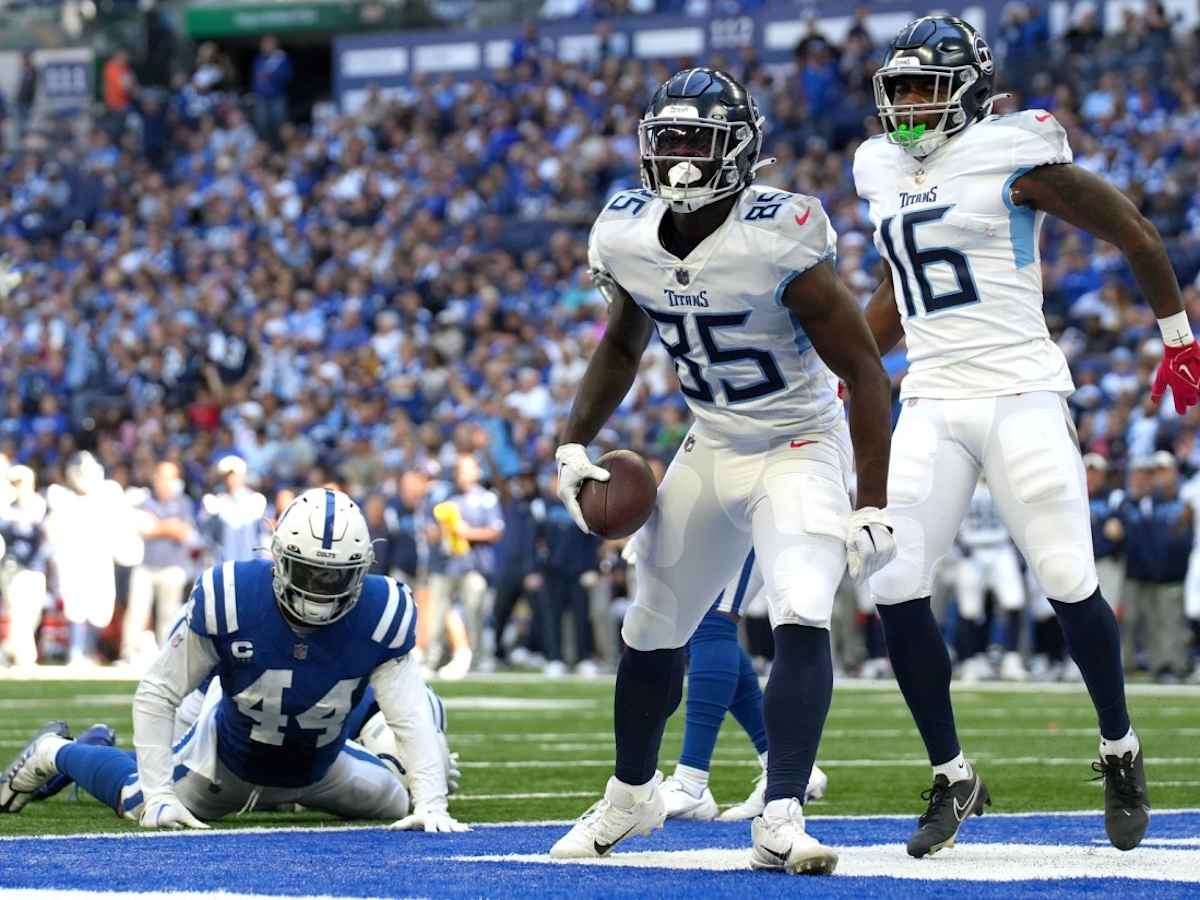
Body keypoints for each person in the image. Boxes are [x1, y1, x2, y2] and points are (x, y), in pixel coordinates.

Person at [855, 15, 1193, 855]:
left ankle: (1120, 747)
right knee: (892, 582)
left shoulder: (1017, 149)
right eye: (898, 88)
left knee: (1068, 573)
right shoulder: (880, 167)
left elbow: (1134, 233)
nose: (908, 105)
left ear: (969, 89)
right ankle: (953, 776)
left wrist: (1180, 338)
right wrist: (845, 370)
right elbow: (905, 291)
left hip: (1020, 391)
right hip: (931, 397)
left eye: (925, 87)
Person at [550, 67, 894, 874]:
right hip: (712, 442)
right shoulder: (629, 232)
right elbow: (620, 345)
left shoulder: (783, 233)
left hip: (799, 442)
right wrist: (574, 441)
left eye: (695, 141)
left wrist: (871, 500)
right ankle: (633, 794)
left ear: (739, 149)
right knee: (651, 625)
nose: (677, 158)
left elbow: (867, 370)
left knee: (801, 609)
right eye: (665, 139)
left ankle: (779, 815)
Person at [0, 488, 467, 834]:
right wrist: (161, 794)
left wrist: (431, 799)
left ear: (363, 570)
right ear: (279, 559)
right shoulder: (233, 596)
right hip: (226, 763)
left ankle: (327, 788)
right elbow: (159, 692)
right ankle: (53, 755)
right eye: (309, 573)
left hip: (320, 767)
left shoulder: (382, 610)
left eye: (335, 577)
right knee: (142, 796)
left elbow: (409, 711)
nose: (319, 591)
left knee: (414, 794)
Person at [655, 554, 828, 822]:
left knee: (712, 620)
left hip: (753, 515)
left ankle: (692, 780)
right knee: (700, 622)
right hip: (728, 517)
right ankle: (783, 763)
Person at [954, 478, 1027, 682]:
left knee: (1014, 602)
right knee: (969, 609)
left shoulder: (1004, 482)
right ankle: (970, 660)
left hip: (1001, 547)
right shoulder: (961, 482)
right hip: (972, 550)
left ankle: (1011, 658)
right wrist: (958, 543)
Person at [123, 462, 197, 663]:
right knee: (136, 612)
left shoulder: (183, 503)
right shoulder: (145, 500)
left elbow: (183, 532)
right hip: (145, 565)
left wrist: (156, 526)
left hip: (172, 566)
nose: (163, 482)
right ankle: (128, 654)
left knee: (169, 615)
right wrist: (168, 527)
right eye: (161, 476)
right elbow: (140, 527)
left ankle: (167, 659)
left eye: (168, 477)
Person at [0, 465, 49, 667]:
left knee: (33, 613)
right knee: (19, 611)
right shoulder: (5, 508)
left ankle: (7, 652)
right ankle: (25, 658)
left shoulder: (39, 503)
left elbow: (42, 529)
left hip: (35, 566)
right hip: (13, 566)